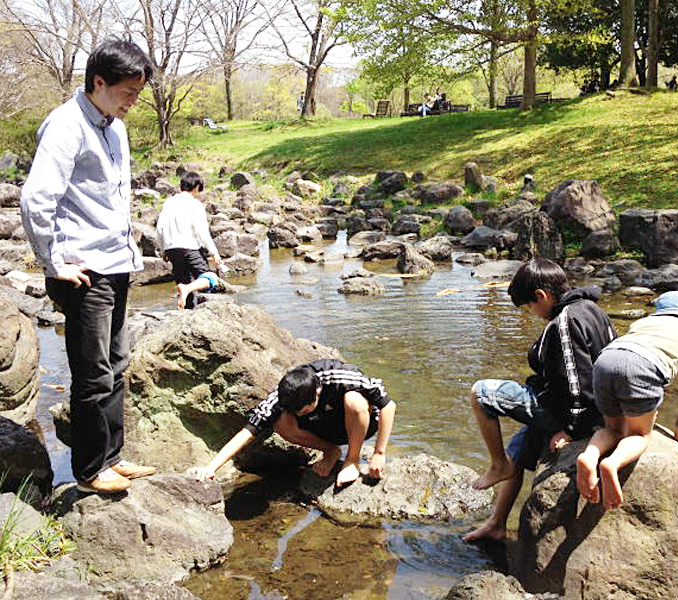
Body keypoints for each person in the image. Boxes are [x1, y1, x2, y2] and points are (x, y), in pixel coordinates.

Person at [19, 39, 156, 494]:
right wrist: (53, 262)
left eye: (138, 93)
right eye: (128, 92)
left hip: (116, 261)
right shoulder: (65, 125)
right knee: (92, 372)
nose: (133, 102)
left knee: (116, 365)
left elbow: (113, 196)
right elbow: (37, 199)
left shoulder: (114, 126)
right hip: (83, 269)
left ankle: (112, 456)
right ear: (99, 82)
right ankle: (90, 470)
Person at [463, 258, 617, 542]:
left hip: (576, 414)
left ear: (542, 296)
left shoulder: (564, 323)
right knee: (519, 451)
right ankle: (497, 524)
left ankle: (497, 465)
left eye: (530, 306)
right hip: (591, 410)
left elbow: (577, 383)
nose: (532, 313)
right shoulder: (592, 308)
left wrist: (570, 430)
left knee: (480, 393)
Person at [576, 291, 678, 511]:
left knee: (614, 428)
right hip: (643, 366)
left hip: (605, 360)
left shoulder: (642, 322)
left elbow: (624, 353)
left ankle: (590, 455)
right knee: (638, 434)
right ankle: (611, 464)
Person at [188, 359, 397, 487]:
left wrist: (379, 454)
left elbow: (388, 405)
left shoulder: (338, 375)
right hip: (323, 429)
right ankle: (331, 451)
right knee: (280, 421)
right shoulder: (282, 395)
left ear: (317, 392)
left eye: (303, 409)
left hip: (361, 423)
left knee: (355, 400)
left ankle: (351, 459)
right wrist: (210, 467)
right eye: (296, 410)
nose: (299, 413)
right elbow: (247, 431)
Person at [156, 171, 223, 309]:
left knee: (184, 283)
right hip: (190, 248)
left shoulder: (168, 203)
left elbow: (160, 229)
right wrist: (214, 252)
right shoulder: (195, 204)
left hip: (172, 250)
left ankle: (186, 312)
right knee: (211, 279)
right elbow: (201, 231)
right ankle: (186, 290)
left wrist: (164, 249)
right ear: (196, 186)